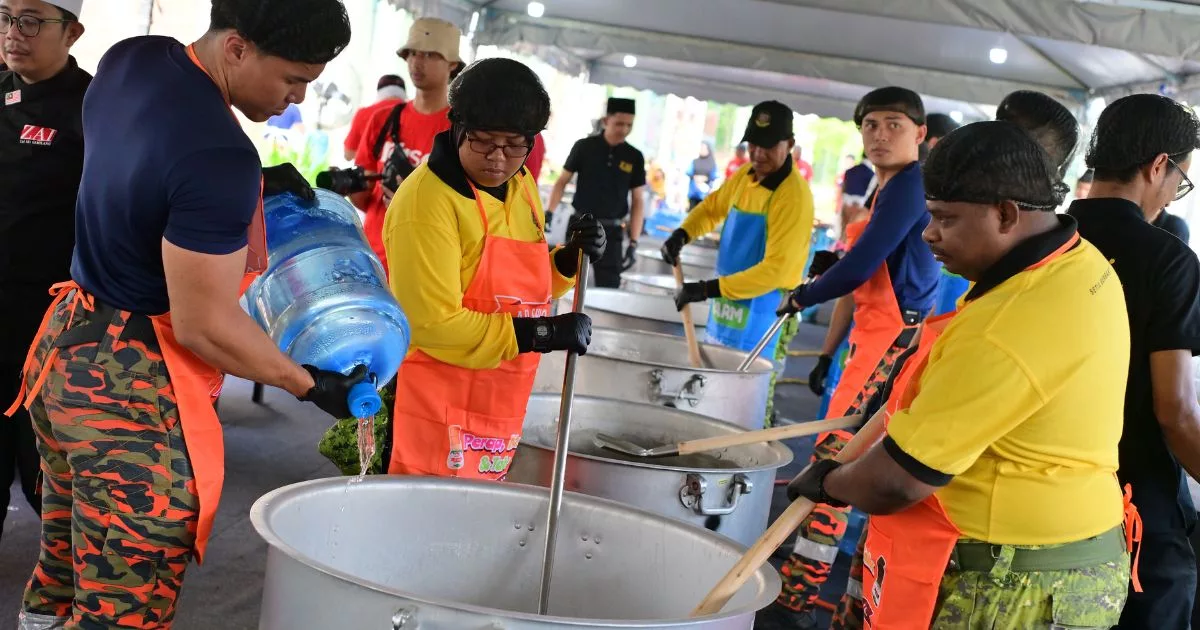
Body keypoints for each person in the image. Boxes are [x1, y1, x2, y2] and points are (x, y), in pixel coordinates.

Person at [5, 3, 366, 627]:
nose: (297, 98)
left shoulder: (130, 61)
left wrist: (245, 194)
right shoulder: (220, 157)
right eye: (291, 79)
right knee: (125, 603)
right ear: (236, 48)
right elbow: (205, 324)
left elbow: (140, 167)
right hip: (129, 395)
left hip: (64, 355)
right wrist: (308, 384)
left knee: (64, 562)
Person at [786, 120, 1135, 630]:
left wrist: (828, 482)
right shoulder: (1077, 261)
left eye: (945, 219)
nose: (929, 234)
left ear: (1006, 213)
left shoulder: (1010, 323)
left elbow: (898, 482)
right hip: (1067, 552)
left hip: (1018, 583)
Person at [764, 87, 940, 628]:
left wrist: (803, 294)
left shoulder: (910, 187)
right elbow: (857, 275)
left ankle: (797, 597)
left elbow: (862, 266)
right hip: (870, 336)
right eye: (871, 125)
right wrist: (828, 349)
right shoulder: (884, 189)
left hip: (894, 339)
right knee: (837, 457)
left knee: (833, 464)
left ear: (920, 134)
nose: (880, 135)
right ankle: (833, 597)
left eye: (894, 124)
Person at [383, 58, 604, 479]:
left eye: (516, 144)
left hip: (498, 404)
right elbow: (431, 323)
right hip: (433, 410)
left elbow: (527, 283)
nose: (499, 159)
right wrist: (541, 334)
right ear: (457, 126)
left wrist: (568, 259)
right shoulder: (427, 205)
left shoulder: (519, 187)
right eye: (484, 141)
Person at [1068, 93, 1200, 630]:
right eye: (1180, 182)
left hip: (1044, 489)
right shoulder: (1167, 258)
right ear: (1158, 166)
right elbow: (1176, 411)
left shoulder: (1042, 239)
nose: (1172, 197)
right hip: (1133, 495)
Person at [662, 100, 813, 427]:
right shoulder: (745, 176)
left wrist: (707, 289)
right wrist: (683, 233)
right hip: (728, 305)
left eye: (768, 146)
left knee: (752, 400)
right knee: (717, 386)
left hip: (767, 310)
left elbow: (778, 271)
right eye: (753, 145)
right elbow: (713, 207)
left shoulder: (793, 196)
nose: (758, 154)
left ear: (789, 144)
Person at [0, 0, 88, 544]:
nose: (15, 32)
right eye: (7, 16)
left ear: (72, 32)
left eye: (31, 20)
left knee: (47, 476)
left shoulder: (97, 106)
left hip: (49, 328)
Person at [352, 17, 461, 272]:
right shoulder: (384, 119)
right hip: (373, 260)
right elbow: (365, 198)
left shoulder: (461, 130)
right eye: (412, 53)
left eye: (430, 55)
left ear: (452, 64)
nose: (417, 62)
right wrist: (349, 185)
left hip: (426, 266)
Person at [547, 97, 646, 287]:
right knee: (565, 283)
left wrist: (634, 241)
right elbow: (562, 181)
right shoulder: (584, 147)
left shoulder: (634, 156)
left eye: (629, 125)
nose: (624, 130)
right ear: (606, 121)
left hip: (613, 231)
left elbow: (638, 200)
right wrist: (549, 212)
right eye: (619, 124)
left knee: (609, 289)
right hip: (580, 227)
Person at [342, 73, 406, 160]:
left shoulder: (364, 113)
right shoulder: (415, 113)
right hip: (410, 171)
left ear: (379, 92)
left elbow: (348, 154)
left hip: (370, 172)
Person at [686, 140, 718, 209]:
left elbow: (715, 177)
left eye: (704, 148)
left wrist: (705, 178)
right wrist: (695, 177)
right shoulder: (695, 162)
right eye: (701, 148)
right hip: (693, 193)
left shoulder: (712, 164)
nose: (701, 150)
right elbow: (688, 172)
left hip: (705, 195)